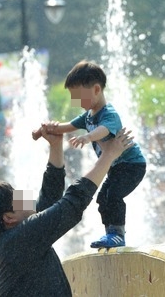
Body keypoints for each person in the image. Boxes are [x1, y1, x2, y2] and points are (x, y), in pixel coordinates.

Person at [0, 125, 134, 296]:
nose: (25, 196)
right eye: (17, 197)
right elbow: (71, 204)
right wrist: (108, 156)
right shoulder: (19, 240)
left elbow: (49, 201)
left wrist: (56, 146)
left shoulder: (13, 241)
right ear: (9, 218)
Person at [32, 60, 147, 248]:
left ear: (96, 90)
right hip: (117, 167)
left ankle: (117, 233)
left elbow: (104, 130)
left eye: (78, 97)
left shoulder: (108, 113)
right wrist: (46, 129)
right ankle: (111, 233)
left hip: (132, 165)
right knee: (103, 197)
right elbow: (66, 126)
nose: (75, 102)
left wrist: (88, 137)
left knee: (113, 195)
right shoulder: (87, 116)